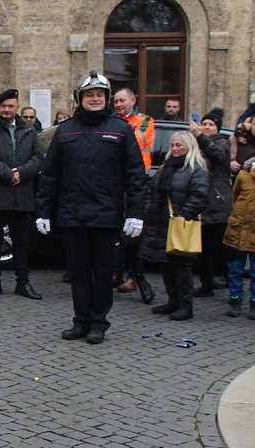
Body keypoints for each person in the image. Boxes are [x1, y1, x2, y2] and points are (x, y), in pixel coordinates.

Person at [36, 71, 146, 344]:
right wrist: (43, 211)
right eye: (89, 95)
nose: (94, 99)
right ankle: (80, 321)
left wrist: (135, 213)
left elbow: (135, 175)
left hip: (106, 216)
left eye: (99, 94)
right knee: (79, 273)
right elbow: (50, 175)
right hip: (73, 215)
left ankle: (98, 323)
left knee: (103, 272)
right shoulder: (65, 130)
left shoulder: (120, 130)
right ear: (80, 98)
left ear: (106, 98)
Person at [0, 88, 44, 299]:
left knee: (21, 242)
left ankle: (23, 283)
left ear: (17, 107)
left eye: (10, 106)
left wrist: (22, 172)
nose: (6, 109)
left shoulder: (29, 130)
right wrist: (7, 174)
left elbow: (38, 158)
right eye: (3, 106)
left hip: (20, 195)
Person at [139, 131, 208, 320]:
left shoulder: (196, 169)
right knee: (165, 264)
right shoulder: (165, 167)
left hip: (179, 224)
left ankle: (185, 305)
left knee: (181, 266)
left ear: (189, 146)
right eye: (173, 145)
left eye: (179, 145)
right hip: (159, 223)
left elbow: (200, 196)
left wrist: (183, 215)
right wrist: (148, 210)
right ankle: (172, 301)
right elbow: (150, 191)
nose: (175, 149)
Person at [112, 87, 155, 303]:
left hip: (137, 183)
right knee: (117, 234)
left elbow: (135, 141)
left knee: (132, 235)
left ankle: (135, 278)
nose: (118, 105)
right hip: (116, 184)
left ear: (133, 101)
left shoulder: (144, 121)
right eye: (116, 101)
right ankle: (117, 271)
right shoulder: (112, 122)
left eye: (122, 101)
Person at [190, 108, 232, 297]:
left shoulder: (222, 142)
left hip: (218, 202)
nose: (206, 127)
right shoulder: (197, 143)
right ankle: (206, 285)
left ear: (217, 128)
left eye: (211, 124)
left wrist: (200, 136)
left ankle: (229, 280)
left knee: (221, 247)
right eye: (204, 124)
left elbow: (218, 155)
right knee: (204, 249)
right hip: (202, 203)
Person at [223, 156, 255, 318]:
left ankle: (254, 304)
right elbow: (234, 197)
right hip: (238, 230)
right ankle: (235, 301)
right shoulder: (243, 175)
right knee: (235, 270)